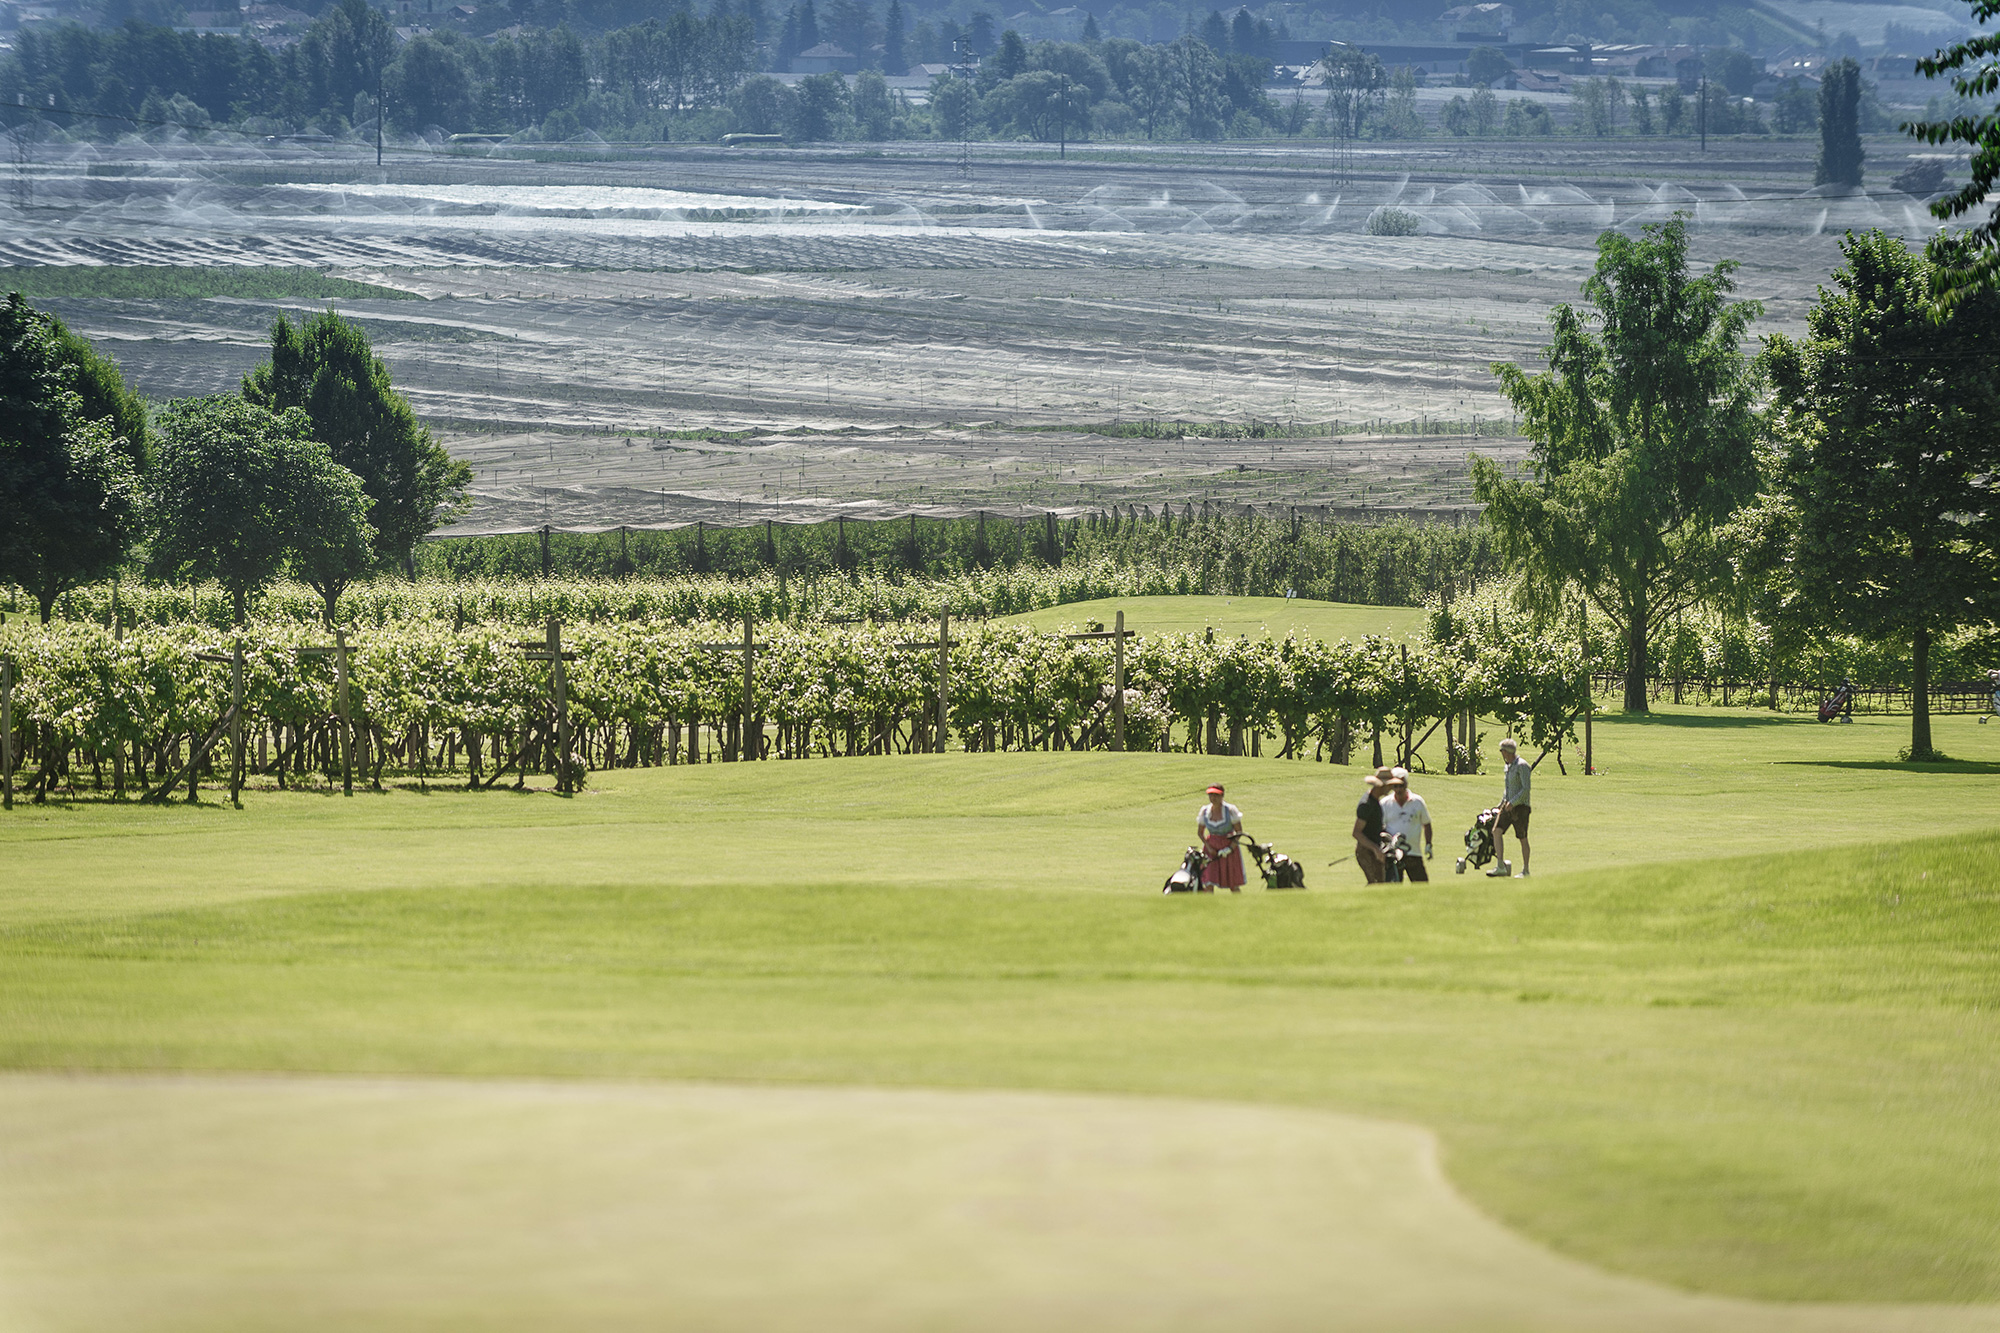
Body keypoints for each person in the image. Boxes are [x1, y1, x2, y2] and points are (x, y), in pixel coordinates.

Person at [1382, 767, 1433, 882]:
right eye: (1396, 786)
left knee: (1422, 887)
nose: (1399, 789)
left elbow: (1427, 823)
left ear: (1406, 784)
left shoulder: (1417, 802)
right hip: (1392, 855)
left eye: (1402, 785)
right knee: (1393, 891)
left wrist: (1429, 844)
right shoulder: (1385, 804)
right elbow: (1380, 828)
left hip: (1413, 852)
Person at [1491, 737, 1530, 878]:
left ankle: (1525, 870)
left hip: (1521, 808)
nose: (1502, 754)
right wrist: (1500, 805)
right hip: (1507, 807)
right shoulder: (1508, 767)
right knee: (1496, 831)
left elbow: (1525, 789)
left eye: (1502, 751)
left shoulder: (1522, 766)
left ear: (1507, 752)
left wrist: (1513, 802)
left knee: (1522, 837)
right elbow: (1507, 790)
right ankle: (1500, 866)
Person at [1196, 783, 1245, 893]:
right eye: (1211, 795)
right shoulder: (1205, 811)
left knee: (1233, 883)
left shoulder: (1230, 810)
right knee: (1208, 881)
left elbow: (1239, 832)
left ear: (1222, 796)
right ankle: (1209, 908)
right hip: (1211, 850)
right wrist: (1208, 848)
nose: (1213, 798)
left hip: (1228, 847)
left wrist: (1230, 848)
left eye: (1216, 795)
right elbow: (1200, 833)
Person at [1352, 767, 1391, 883]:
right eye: (1389, 785)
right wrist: (1376, 849)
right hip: (1366, 851)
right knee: (1376, 884)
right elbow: (1357, 833)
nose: (1391, 788)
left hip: (1374, 849)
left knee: (1380, 883)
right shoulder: (1367, 805)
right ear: (1382, 785)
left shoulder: (1375, 801)